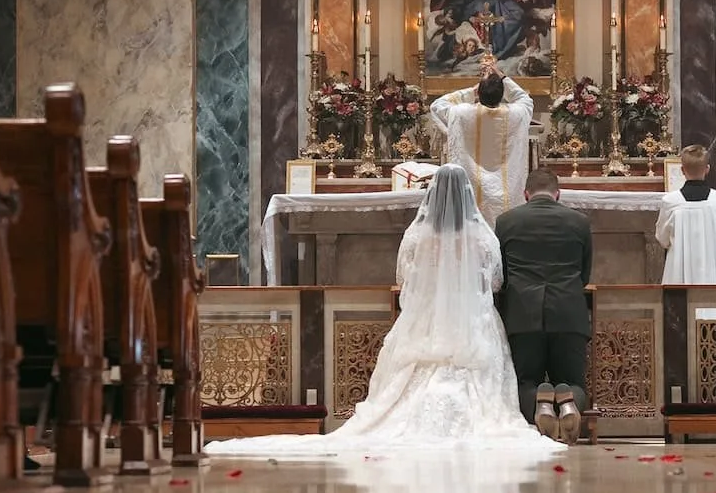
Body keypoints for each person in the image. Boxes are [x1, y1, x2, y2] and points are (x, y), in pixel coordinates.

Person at [207, 165, 558, 460]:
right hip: (472, 324)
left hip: (423, 322)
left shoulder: (418, 236)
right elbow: (495, 282)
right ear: (468, 196)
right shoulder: (482, 238)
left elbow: (403, 279)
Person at [496, 167, 594, 439]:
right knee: (573, 381)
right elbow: (584, 274)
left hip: (523, 313)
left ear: (526, 194)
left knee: (525, 380)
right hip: (568, 310)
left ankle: (540, 402)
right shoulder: (579, 222)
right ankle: (569, 403)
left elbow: (501, 274)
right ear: (558, 194)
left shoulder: (506, 222)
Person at [429, 64, 533, 223]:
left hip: (472, 188)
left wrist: (471, 92)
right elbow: (524, 98)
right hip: (507, 190)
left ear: (479, 93)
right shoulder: (517, 113)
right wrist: (503, 77)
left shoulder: (462, 113)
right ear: (502, 94)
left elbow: (437, 105)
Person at [656, 145, 716, 286]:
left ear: (682, 170)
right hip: (713, 268)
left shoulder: (670, 201)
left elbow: (663, 238)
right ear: (707, 169)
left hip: (679, 269)